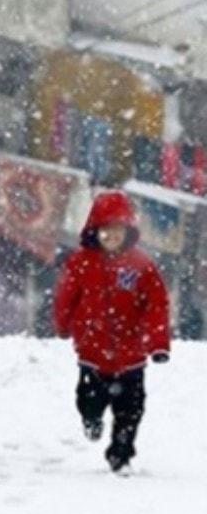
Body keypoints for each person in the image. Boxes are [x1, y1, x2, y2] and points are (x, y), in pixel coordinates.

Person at [53, 190, 170, 473]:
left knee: (130, 411)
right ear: (95, 231)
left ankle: (121, 455)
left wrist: (157, 343)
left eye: (117, 230)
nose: (111, 237)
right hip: (92, 352)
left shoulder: (142, 266)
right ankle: (91, 420)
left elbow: (156, 305)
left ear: (127, 231)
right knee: (88, 400)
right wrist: (63, 322)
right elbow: (66, 295)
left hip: (131, 355)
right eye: (105, 230)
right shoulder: (81, 262)